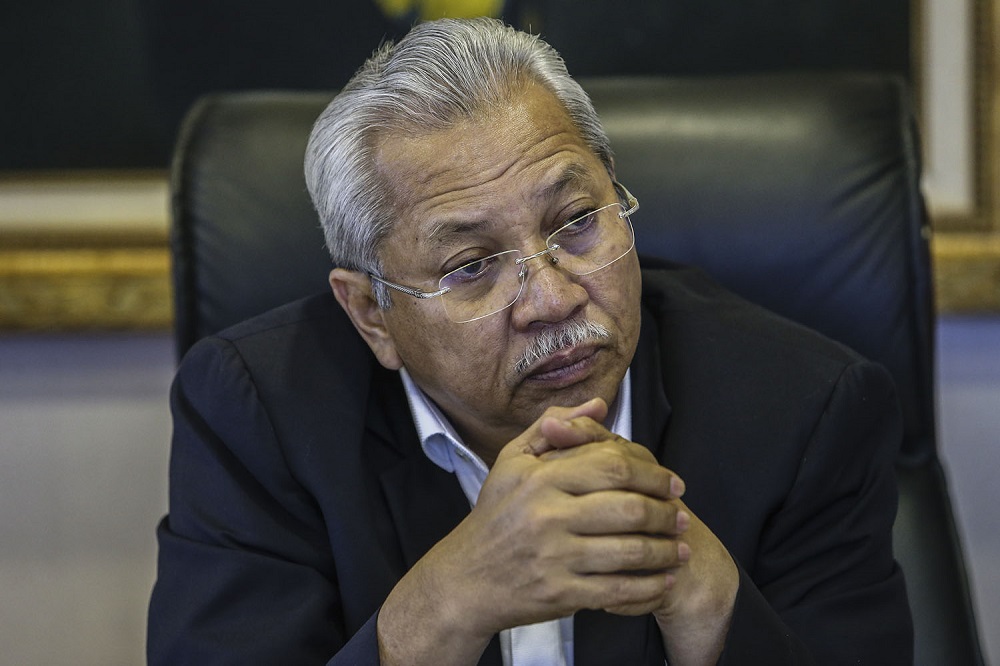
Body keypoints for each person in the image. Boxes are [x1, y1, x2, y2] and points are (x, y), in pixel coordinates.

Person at [147, 17, 912, 666]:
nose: (552, 297)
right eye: (472, 266)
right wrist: (444, 603)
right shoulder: (258, 416)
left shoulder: (807, 408)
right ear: (372, 315)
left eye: (577, 222)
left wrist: (702, 591)